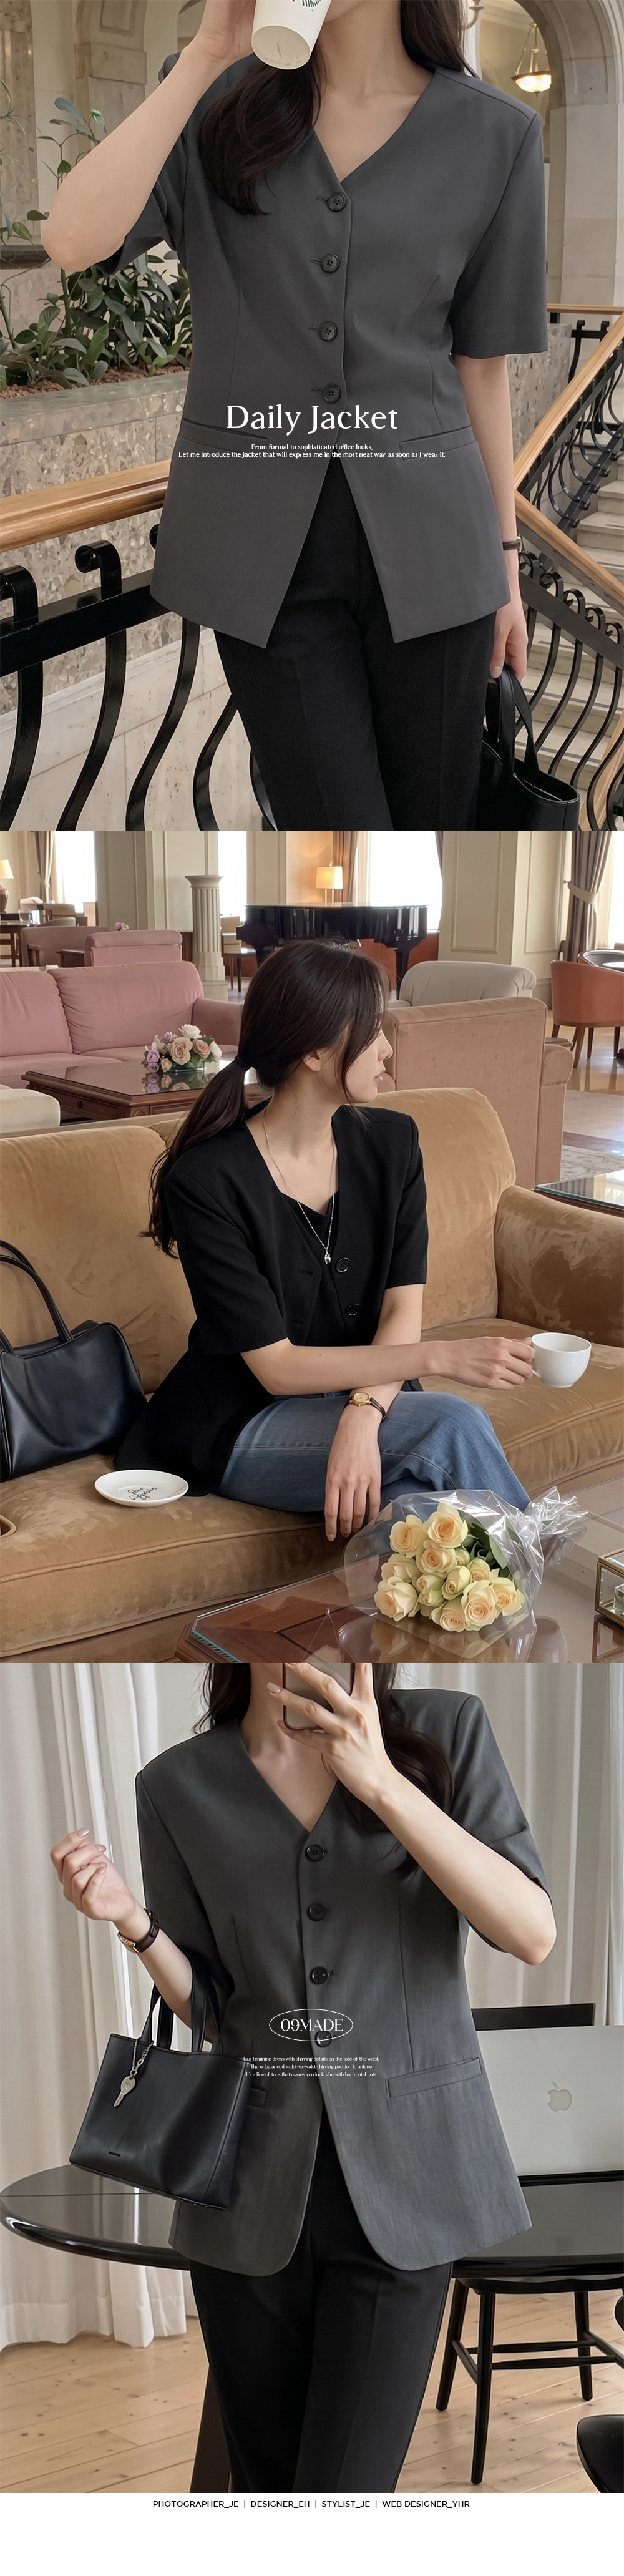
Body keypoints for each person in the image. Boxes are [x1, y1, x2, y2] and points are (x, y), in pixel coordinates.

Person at [51, 1663, 556, 2492]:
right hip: (248, 2192)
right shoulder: (176, 1786)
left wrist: (382, 1783)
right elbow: (213, 2011)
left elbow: (531, 1933)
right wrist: (132, 1921)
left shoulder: (445, 1729)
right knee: (268, 2489)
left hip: (410, 2181)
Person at [42, 1, 548, 827]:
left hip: (439, 552)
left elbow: (480, 367)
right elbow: (70, 241)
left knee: (434, 828)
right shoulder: (215, 99)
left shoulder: (497, 132)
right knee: (332, 830)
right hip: (260, 553)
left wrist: (505, 567)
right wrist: (206, 53)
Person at [116, 940, 535, 1533]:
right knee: (451, 1423)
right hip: (246, 1419)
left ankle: (468, 1588)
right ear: (314, 1050)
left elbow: (402, 1309)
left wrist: (364, 1413)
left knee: (416, 1512)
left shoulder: (393, 1144)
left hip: (369, 1399)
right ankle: (536, 1562)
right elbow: (278, 1368)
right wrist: (444, 1356)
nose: (387, 1048)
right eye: (372, 1030)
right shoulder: (207, 1181)